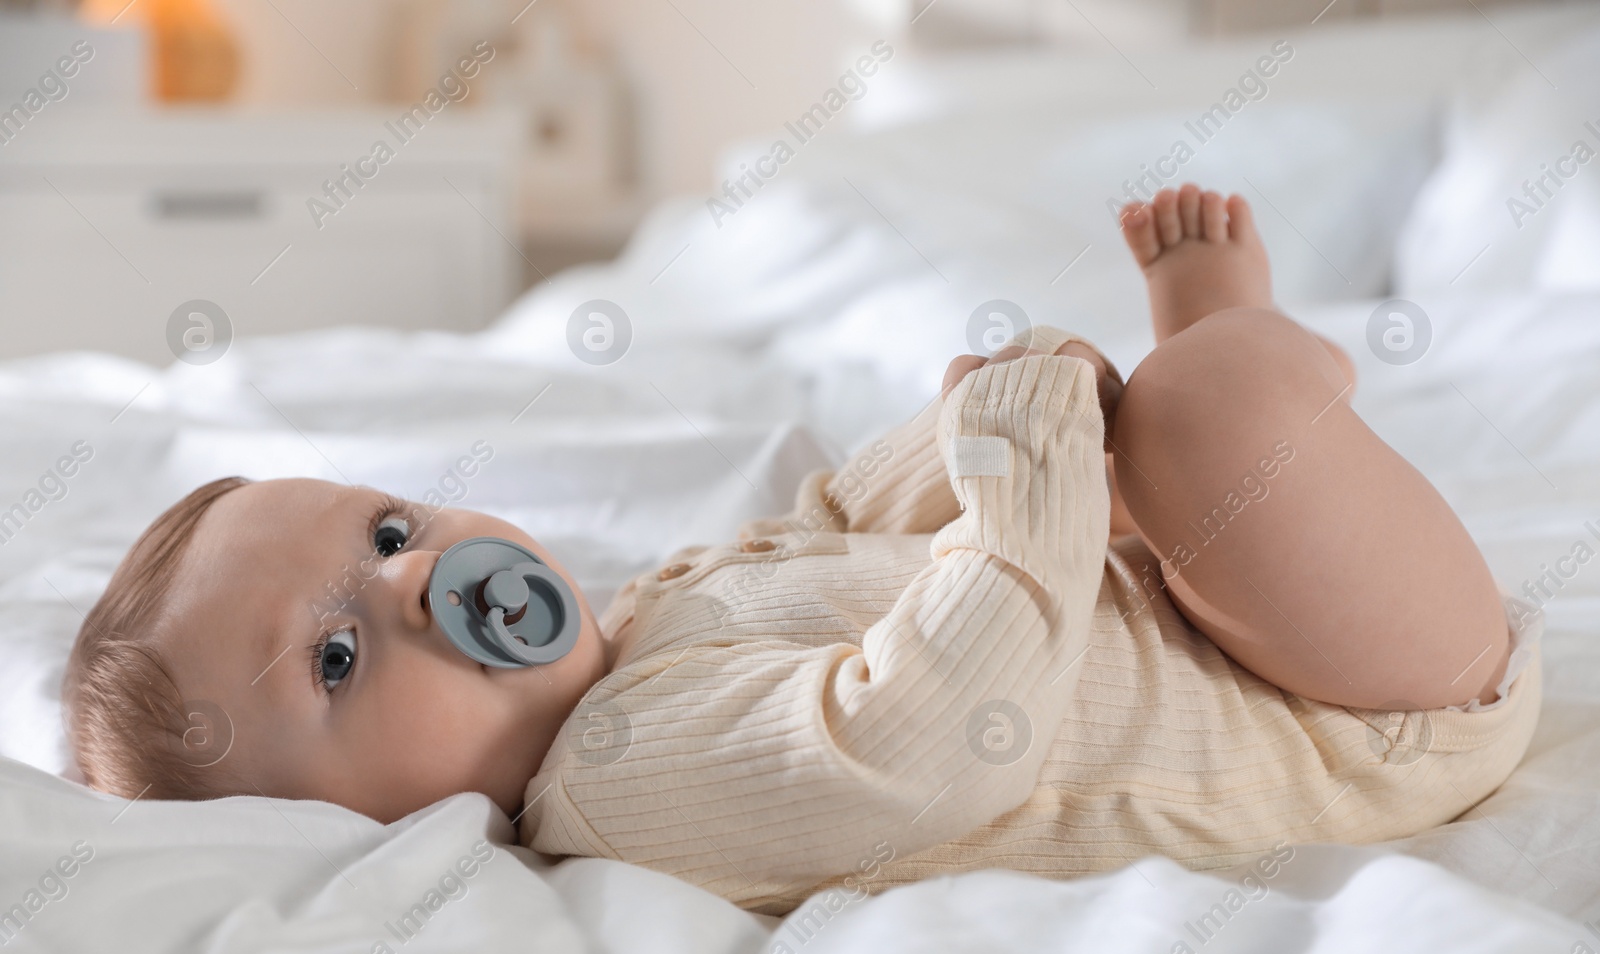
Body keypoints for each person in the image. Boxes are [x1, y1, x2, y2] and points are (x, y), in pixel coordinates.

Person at [64, 185, 1541, 914]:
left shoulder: (644, 629)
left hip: (1205, 617)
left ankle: (1193, 407)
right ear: (351, 828)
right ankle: (1237, 349)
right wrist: (1026, 480)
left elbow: (826, 529)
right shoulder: (630, 785)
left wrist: (950, 452)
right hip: (1364, 709)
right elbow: (936, 733)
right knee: (1212, 416)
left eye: (387, 531)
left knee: (1164, 444)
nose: (409, 581)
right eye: (334, 657)